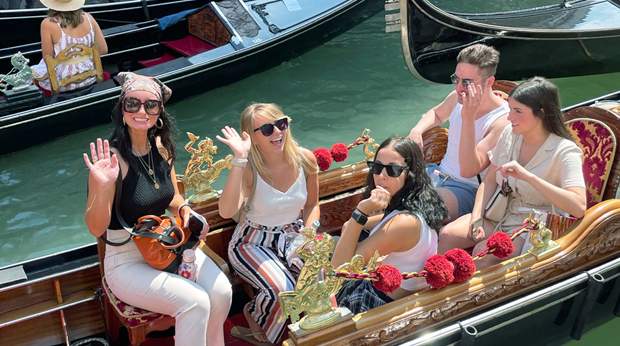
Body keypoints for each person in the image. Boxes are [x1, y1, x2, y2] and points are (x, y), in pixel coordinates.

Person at [83, 72, 232, 346]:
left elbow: (172, 195)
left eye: (150, 105)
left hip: (164, 247)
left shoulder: (161, 148)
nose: (142, 111)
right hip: (126, 262)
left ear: (159, 112)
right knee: (195, 302)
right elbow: (95, 227)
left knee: (222, 291)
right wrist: (103, 186)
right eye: (133, 104)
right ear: (122, 109)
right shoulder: (110, 160)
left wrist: (186, 209)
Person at [438, 77, 587, 267]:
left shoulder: (565, 151)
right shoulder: (509, 134)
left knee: (483, 253)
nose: (509, 117)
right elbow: (490, 181)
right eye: (510, 110)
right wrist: (476, 216)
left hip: (535, 227)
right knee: (448, 235)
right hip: (500, 213)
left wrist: (528, 177)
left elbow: (578, 206)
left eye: (518, 111)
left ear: (541, 113)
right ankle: (441, 285)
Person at [217, 103, 320, 345]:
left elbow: (312, 205)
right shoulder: (250, 168)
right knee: (283, 291)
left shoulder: (306, 159)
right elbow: (226, 211)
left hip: (295, 234)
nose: (277, 132)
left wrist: (310, 235)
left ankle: (313, 329)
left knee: (317, 274)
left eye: (281, 124)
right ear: (250, 136)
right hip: (252, 241)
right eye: (266, 129)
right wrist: (240, 159)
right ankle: (253, 313)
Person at [331, 137, 448, 313]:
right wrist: (355, 223)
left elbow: (340, 268)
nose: (381, 176)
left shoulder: (403, 223)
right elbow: (351, 226)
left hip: (373, 302)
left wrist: (361, 211)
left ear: (410, 173)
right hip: (384, 292)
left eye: (393, 170)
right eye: (377, 167)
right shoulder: (417, 205)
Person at [408, 44, 510, 223]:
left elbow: (469, 169)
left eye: (467, 82)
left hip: (467, 190)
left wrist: (468, 119)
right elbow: (437, 114)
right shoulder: (457, 97)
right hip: (437, 173)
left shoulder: (502, 121)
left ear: (489, 82)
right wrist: (417, 130)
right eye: (456, 79)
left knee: (423, 206)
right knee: (388, 181)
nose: (459, 87)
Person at [32, 0, 108, 93]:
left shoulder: (47, 24)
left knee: (31, 76)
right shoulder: (89, 18)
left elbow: (48, 59)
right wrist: (82, 59)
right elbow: (103, 49)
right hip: (90, 78)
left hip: (63, 84)